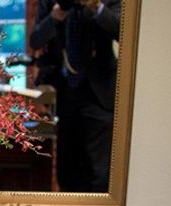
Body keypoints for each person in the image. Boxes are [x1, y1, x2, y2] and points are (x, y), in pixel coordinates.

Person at [30, 0, 121, 192]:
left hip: (99, 93)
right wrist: (55, 17)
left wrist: (96, 7)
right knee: (67, 169)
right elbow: (36, 39)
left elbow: (124, 32)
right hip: (65, 93)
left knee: (99, 171)